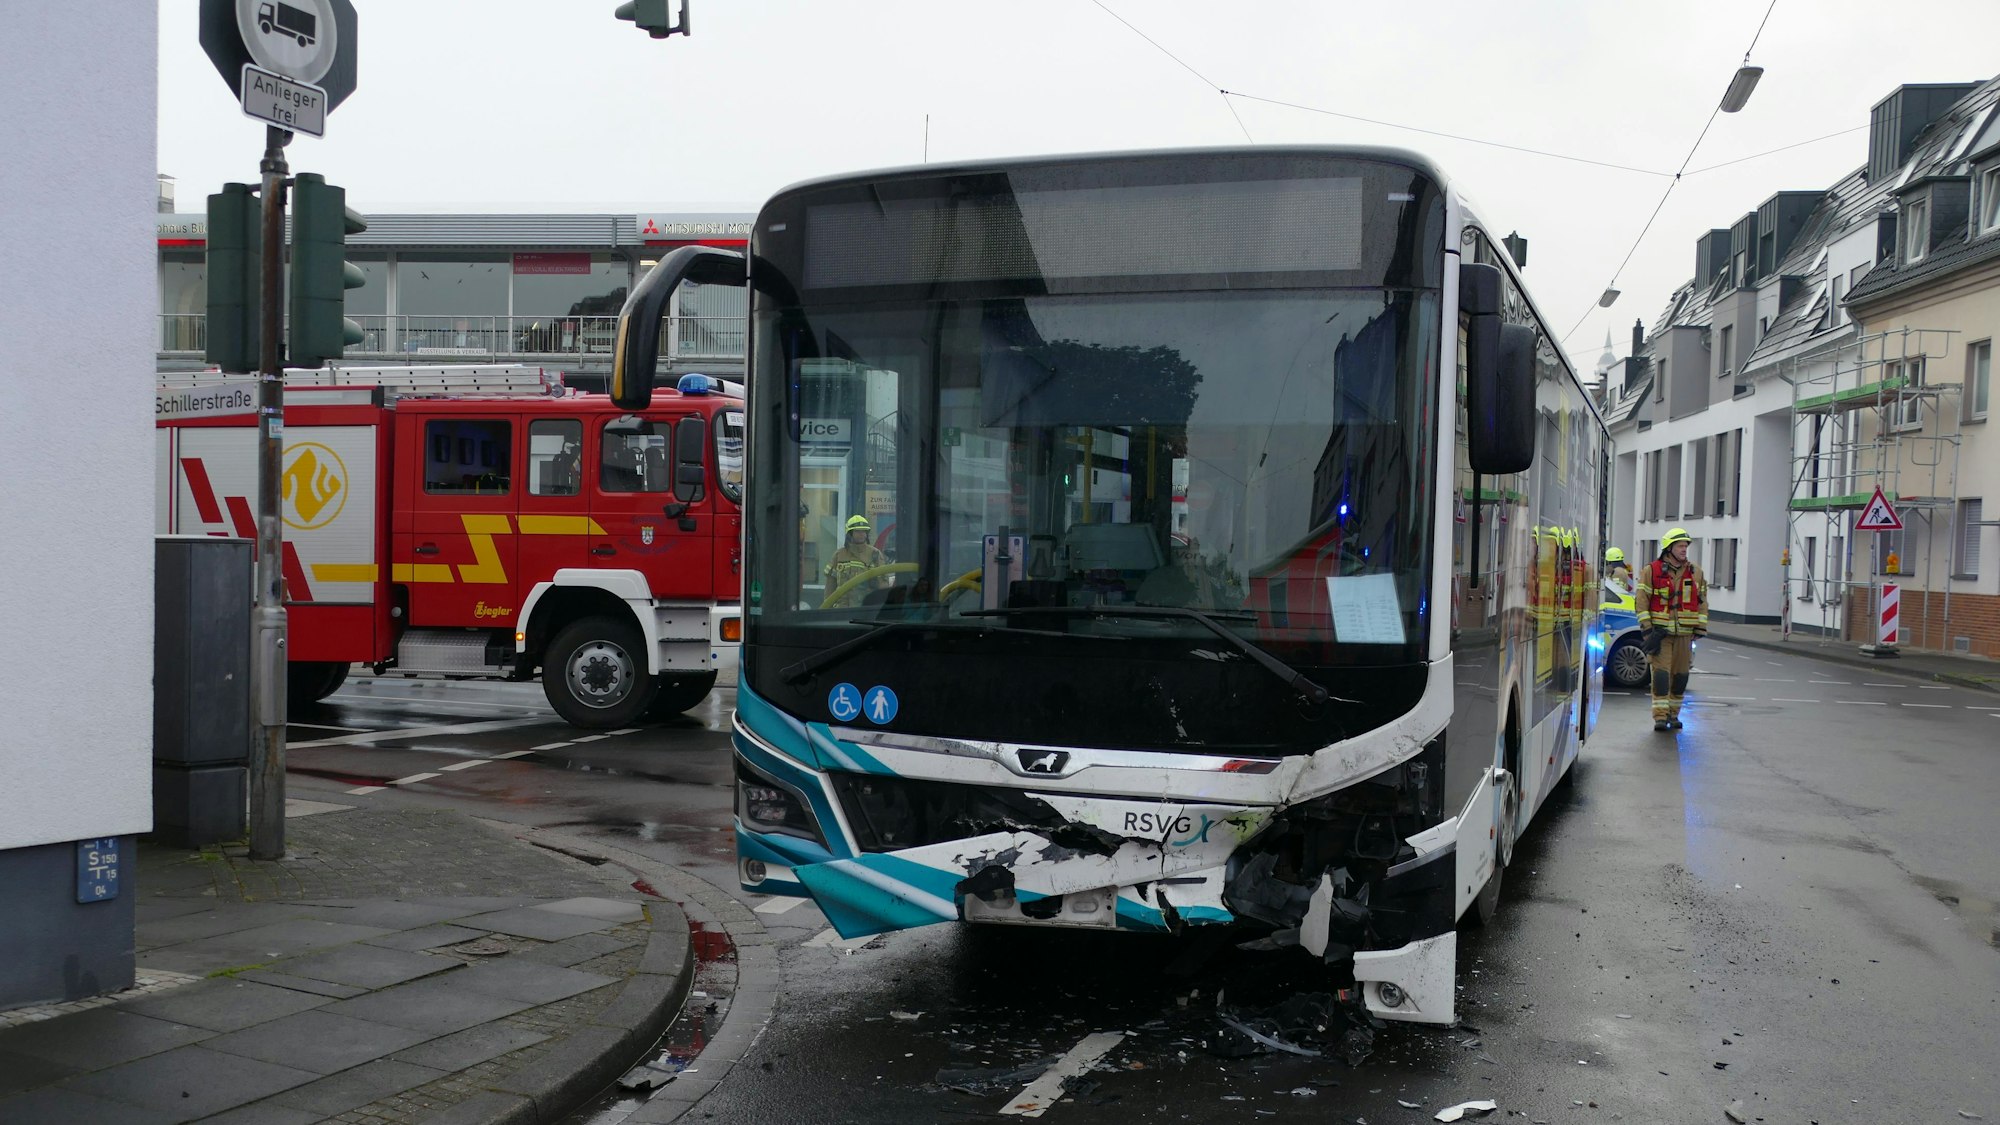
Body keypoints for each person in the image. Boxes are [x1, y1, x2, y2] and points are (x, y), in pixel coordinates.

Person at [1635, 529, 1708, 732]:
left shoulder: (1696, 573)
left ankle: (1673, 715)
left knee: (1681, 676)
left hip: (1685, 633)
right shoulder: (1652, 570)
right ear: (1669, 548)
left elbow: (1702, 602)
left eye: (1686, 546)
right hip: (1661, 634)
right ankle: (1660, 717)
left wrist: (1700, 628)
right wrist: (1648, 631)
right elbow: (1641, 602)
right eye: (1680, 546)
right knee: (1661, 676)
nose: (1684, 550)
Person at [823, 515, 890, 606]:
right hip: (840, 611)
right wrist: (827, 607)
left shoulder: (875, 554)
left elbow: (883, 584)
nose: (862, 534)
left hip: (864, 610)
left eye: (864, 531)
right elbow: (830, 585)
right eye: (857, 531)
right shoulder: (839, 555)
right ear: (850, 533)